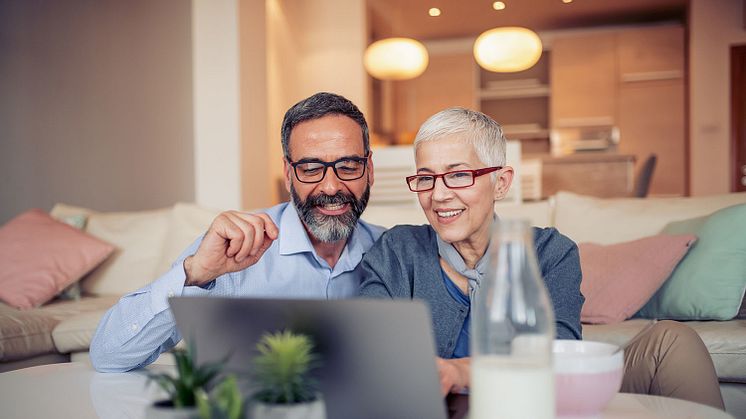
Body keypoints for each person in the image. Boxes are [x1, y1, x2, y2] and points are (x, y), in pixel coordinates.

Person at [358, 107, 725, 410]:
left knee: (673, 340)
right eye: (426, 179)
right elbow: (367, 349)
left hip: (539, 408)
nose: (438, 195)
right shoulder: (397, 250)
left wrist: (461, 372)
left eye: (458, 175)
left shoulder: (550, 252)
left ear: (500, 183)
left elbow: (557, 356)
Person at [90, 92, 384, 372]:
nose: (331, 187)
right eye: (310, 169)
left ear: (369, 168)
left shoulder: (392, 251)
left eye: (348, 166)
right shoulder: (235, 247)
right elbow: (108, 356)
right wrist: (194, 273)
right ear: (288, 173)